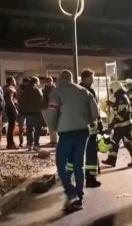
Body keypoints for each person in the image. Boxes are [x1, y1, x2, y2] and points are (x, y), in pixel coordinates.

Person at [45, 70, 100, 213]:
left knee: (61, 163)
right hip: (83, 133)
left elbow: (52, 113)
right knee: (78, 165)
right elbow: (95, 112)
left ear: (59, 79)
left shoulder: (57, 92)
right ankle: (79, 199)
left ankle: (71, 194)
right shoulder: (84, 91)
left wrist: (54, 127)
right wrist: (86, 121)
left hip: (66, 134)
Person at [102, 81, 132, 168]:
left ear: (115, 88)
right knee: (114, 142)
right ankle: (111, 159)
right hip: (121, 125)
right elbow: (119, 108)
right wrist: (112, 104)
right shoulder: (120, 96)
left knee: (128, 143)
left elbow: (120, 114)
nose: (111, 91)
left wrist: (111, 125)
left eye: (111, 89)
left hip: (124, 125)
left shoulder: (121, 98)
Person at [80, 69, 102, 187]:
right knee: (91, 152)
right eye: (91, 78)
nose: (93, 80)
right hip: (90, 126)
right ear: (84, 78)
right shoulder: (89, 91)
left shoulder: (77, 90)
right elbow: (95, 110)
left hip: (79, 127)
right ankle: (90, 178)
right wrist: (100, 123)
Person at [18, 76, 44, 150]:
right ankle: (36, 143)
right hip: (36, 113)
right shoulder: (37, 90)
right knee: (38, 128)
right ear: (36, 82)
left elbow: (21, 101)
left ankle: (30, 144)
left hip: (27, 113)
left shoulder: (25, 90)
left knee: (29, 129)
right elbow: (41, 100)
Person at [41, 76, 58, 146]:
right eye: (47, 81)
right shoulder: (43, 90)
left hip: (53, 108)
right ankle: (52, 140)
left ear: (52, 81)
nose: (49, 83)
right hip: (45, 108)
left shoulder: (55, 89)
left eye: (50, 81)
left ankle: (54, 141)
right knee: (49, 125)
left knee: (53, 125)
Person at [4, 77, 19, 149]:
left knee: (11, 126)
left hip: (9, 109)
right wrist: (14, 109)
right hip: (11, 109)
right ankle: (11, 143)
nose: (15, 81)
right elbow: (10, 100)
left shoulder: (8, 88)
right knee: (11, 127)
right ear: (10, 82)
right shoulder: (10, 89)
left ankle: (9, 143)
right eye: (13, 80)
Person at [16, 77, 29, 147]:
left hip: (24, 110)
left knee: (25, 127)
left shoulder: (21, 89)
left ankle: (26, 142)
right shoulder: (20, 89)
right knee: (22, 127)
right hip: (23, 110)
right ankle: (22, 142)